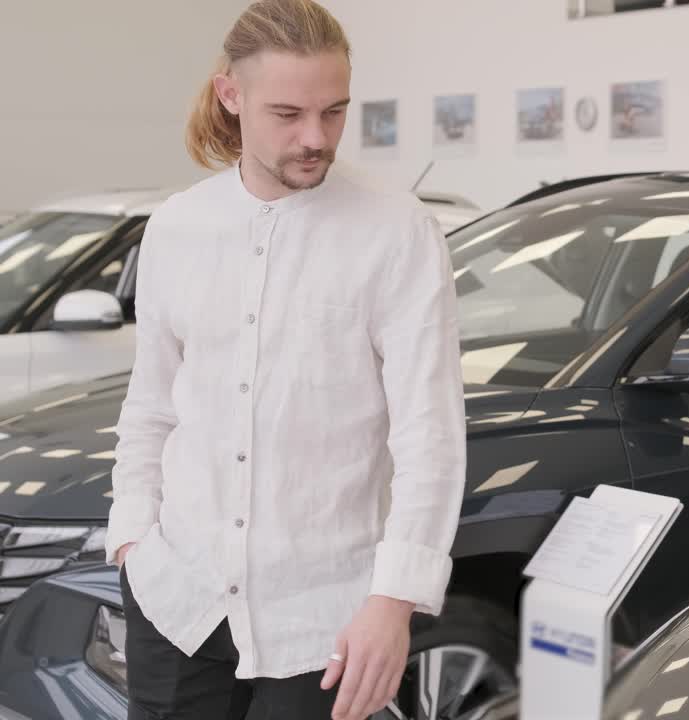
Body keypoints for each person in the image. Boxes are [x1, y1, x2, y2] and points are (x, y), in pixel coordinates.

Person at [104, 1, 467, 718]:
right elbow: (152, 405)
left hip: (325, 619)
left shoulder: (398, 232)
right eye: (288, 114)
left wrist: (393, 601)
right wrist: (131, 536)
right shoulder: (176, 227)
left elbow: (429, 434)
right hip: (176, 598)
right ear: (231, 95)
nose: (315, 138)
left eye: (334, 112)